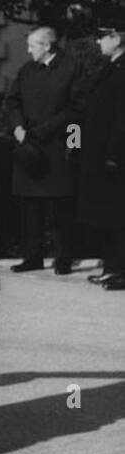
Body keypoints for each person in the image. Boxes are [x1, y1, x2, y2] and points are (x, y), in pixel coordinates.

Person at [0, 26, 85, 275]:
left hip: (57, 146)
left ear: (47, 45)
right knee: (30, 207)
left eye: (32, 45)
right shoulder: (27, 70)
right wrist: (16, 127)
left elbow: (76, 109)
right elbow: (12, 101)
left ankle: (64, 257)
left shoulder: (71, 69)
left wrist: (45, 131)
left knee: (61, 207)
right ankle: (32, 256)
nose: (28, 50)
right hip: (29, 146)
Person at [78, 14, 125, 290]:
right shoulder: (111, 67)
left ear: (117, 38)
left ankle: (119, 269)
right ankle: (112, 267)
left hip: (115, 157)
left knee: (118, 216)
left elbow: (122, 118)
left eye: (103, 35)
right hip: (104, 155)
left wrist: (114, 154)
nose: (98, 41)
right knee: (108, 216)